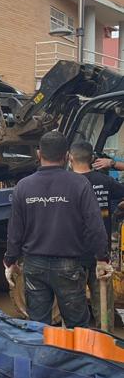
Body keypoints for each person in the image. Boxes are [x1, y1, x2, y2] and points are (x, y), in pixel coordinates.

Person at [3, 131, 108, 328]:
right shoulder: (79, 184)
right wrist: (102, 258)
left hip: (34, 265)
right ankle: (76, 358)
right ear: (67, 156)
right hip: (68, 266)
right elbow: (95, 225)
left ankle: (43, 358)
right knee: (77, 328)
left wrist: (10, 261)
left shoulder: (23, 187)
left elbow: (15, 231)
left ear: (38, 154)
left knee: (38, 328)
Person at [69, 141, 119, 331]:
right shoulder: (105, 181)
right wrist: (113, 164)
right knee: (104, 303)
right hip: (101, 253)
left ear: (70, 157)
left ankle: (78, 343)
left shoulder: (65, 183)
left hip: (73, 254)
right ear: (92, 159)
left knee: (74, 304)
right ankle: (106, 344)